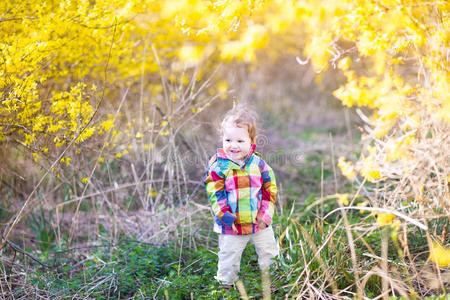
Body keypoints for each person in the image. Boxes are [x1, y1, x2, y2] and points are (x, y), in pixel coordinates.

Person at [203, 103, 279, 289]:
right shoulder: (218, 167)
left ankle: (274, 281)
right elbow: (216, 197)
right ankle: (225, 287)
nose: (233, 146)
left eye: (240, 141)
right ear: (222, 139)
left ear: (252, 142)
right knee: (229, 258)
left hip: (258, 223)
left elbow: (270, 191)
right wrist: (229, 219)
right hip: (233, 227)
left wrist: (265, 216)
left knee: (270, 253)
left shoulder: (259, 165)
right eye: (228, 140)